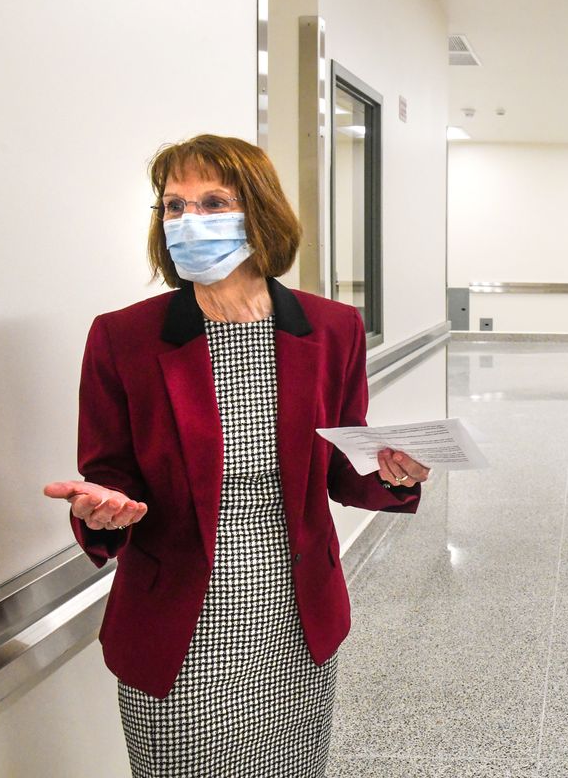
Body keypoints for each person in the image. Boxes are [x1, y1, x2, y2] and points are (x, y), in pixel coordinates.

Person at [42, 134, 429, 777]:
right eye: (173, 206)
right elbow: (107, 471)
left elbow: (339, 459)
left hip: (293, 615)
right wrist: (101, 509)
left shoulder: (331, 329)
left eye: (213, 201)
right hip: (179, 624)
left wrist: (393, 475)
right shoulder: (124, 337)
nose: (188, 221)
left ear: (259, 213)